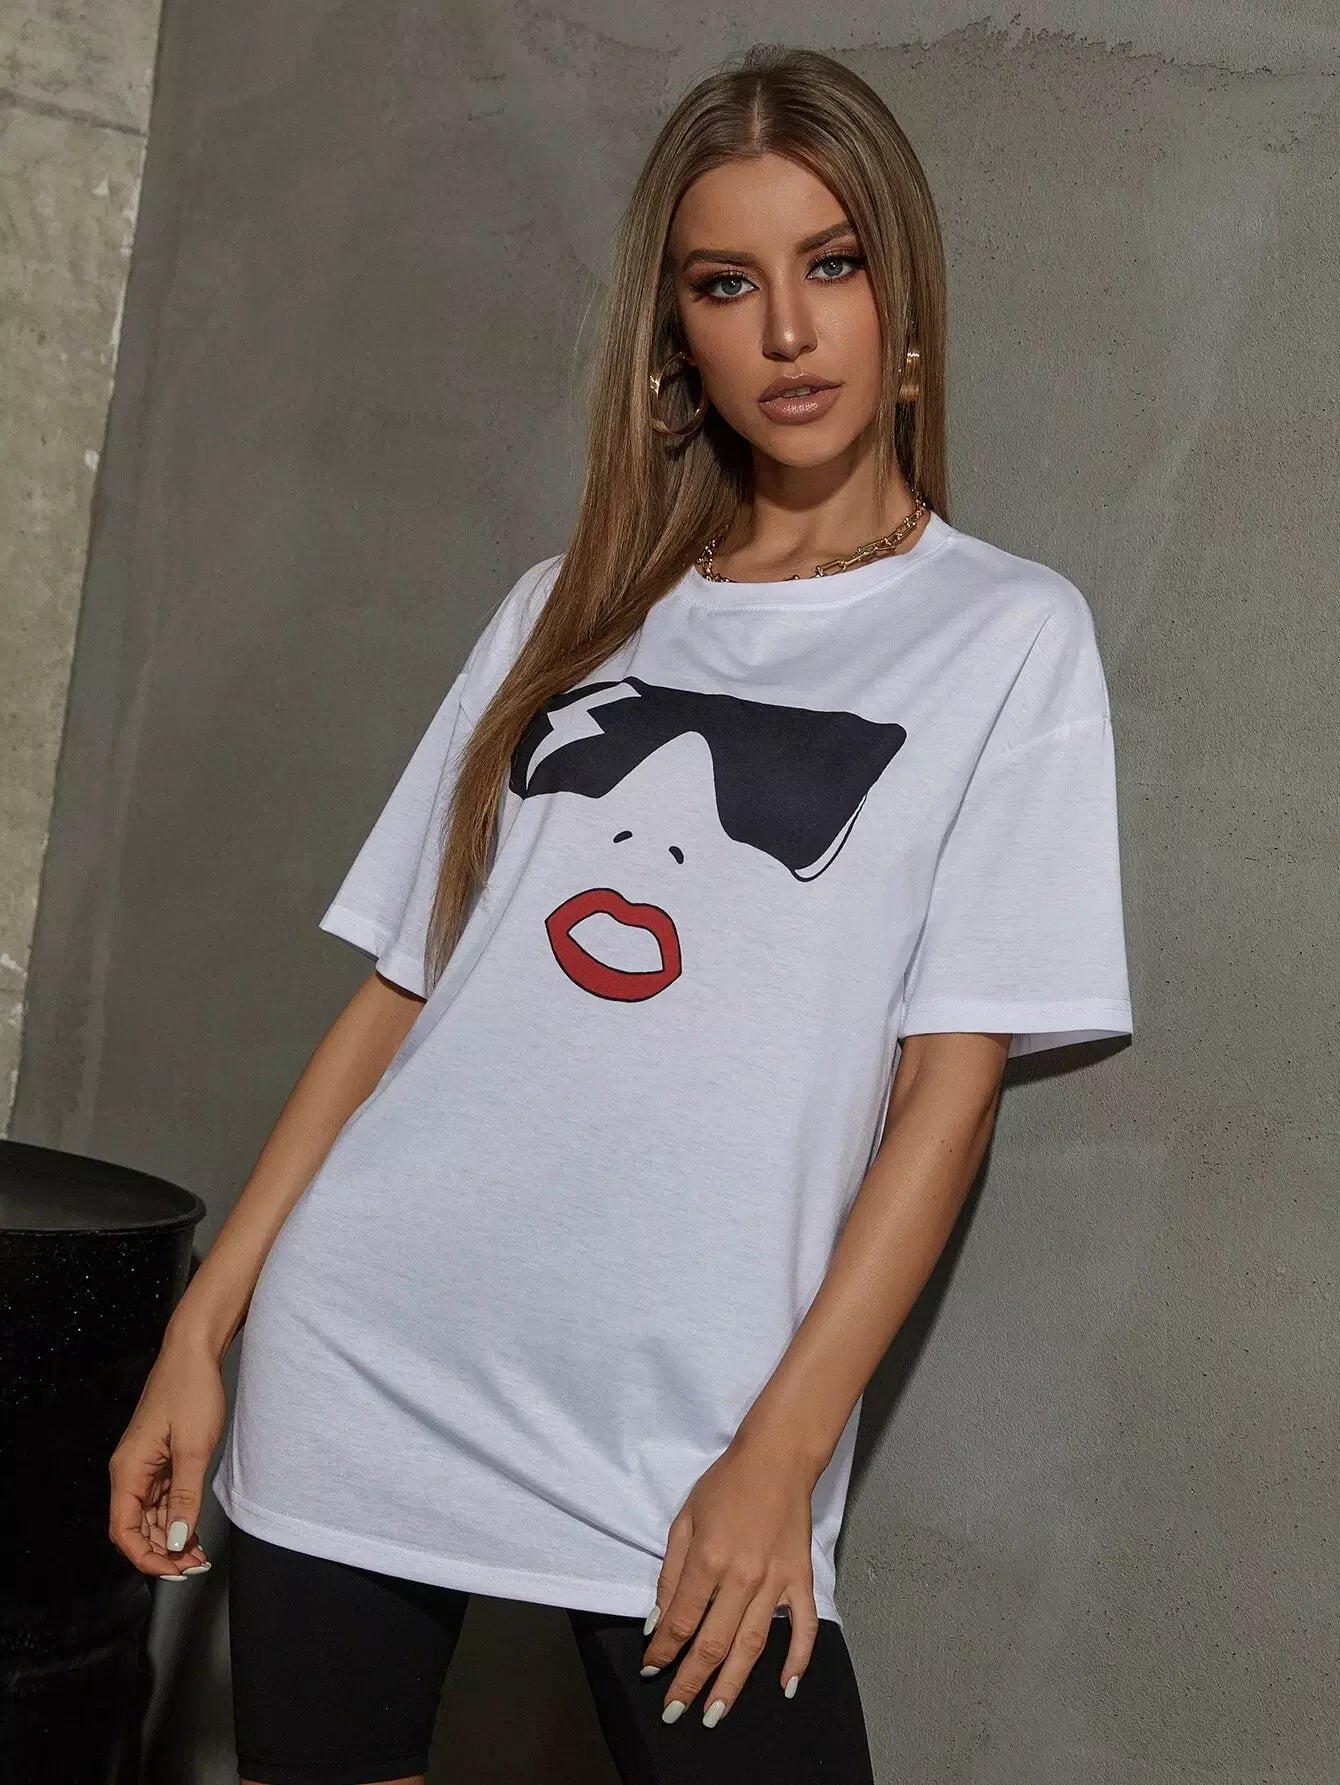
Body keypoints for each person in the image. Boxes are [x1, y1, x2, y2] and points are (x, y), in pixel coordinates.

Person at [109, 42, 1134, 1785]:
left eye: (831, 263)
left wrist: (780, 1450)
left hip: (698, 1424)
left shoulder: (1008, 637)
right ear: (678, 341)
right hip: (370, 1360)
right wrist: (204, 1327)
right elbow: (403, 994)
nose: (788, 330)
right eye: (728, 284)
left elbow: (947, 1097)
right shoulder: (563, 611)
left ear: (903, 296)